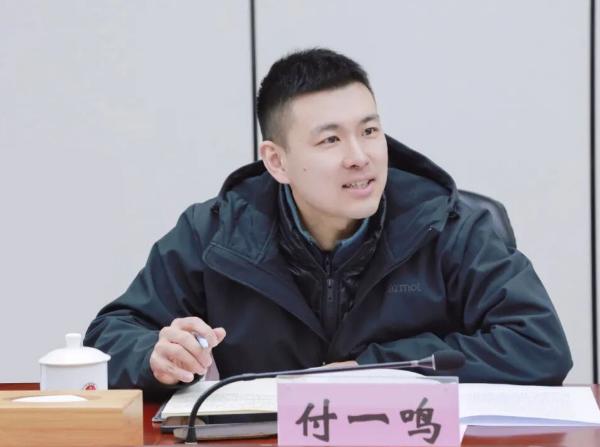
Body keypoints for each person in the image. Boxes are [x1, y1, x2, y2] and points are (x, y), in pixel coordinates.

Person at [84, 48, 572, 399]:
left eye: (370, 130)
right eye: (330, 140)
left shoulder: (448, 225)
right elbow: (109, 337)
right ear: (276, 161)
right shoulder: (215, 233)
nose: (360, 157)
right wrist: (152, 355)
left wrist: (376, 370)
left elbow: (538, 343)